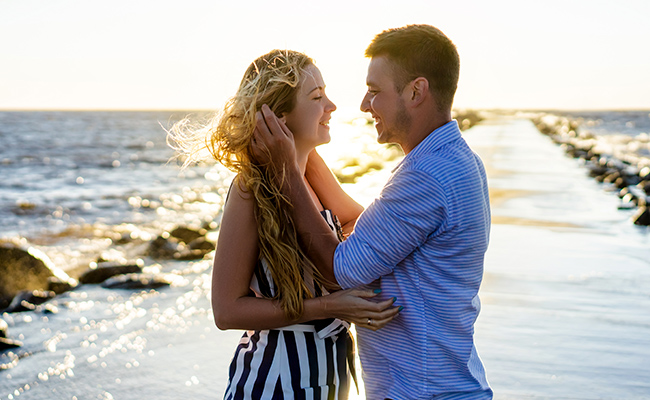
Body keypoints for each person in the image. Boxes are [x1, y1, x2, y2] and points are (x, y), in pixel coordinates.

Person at [252, 25, 493, 399]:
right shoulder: (458, 161)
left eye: (375, 91)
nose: (364, 104)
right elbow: (368, 230)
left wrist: (287, 171)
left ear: (416, 91)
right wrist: (305, 153)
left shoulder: (427, 176)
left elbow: (342, 268)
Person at [169, 49, 401, 399]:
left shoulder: (309, 174)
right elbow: (227, 310)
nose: (332, 106)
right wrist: (330, 305)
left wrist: (300, 162)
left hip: (330, 373)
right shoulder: (252, 189)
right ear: (279, 116)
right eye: (317, 97)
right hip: (276, 381)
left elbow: (358, 221)